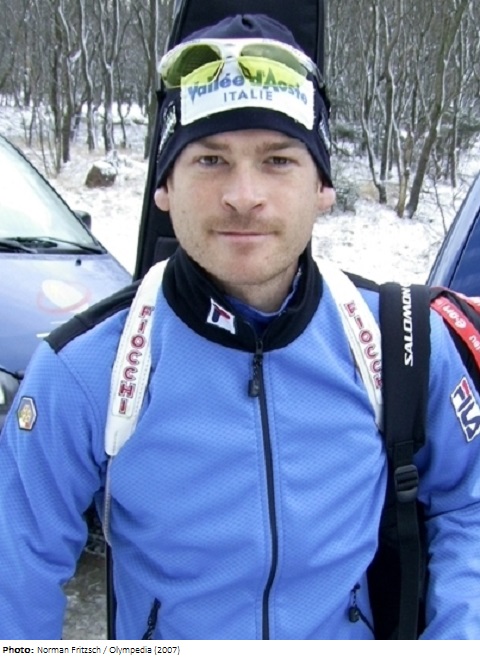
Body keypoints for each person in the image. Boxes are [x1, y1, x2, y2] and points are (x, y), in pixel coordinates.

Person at [1, 13, 480, 641]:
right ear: (165, 187)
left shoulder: (403, 342)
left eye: (278, 159)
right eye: (210, 160)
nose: (244, 194)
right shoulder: (87, 370)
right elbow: (16, 577)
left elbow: (469, 504)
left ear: (323, 186)